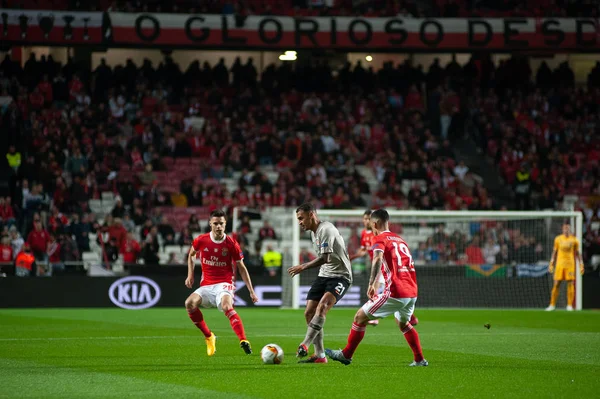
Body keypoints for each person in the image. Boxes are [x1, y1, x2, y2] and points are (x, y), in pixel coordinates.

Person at [326, 209, 428, 367]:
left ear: (374, 223)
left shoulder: (379, 239)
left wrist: (372, 283)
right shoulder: (400, 240)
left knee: (359, 317)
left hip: (396, 292)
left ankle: (346, 354)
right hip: (412, 291)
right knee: (403, 324)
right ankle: (420, 359)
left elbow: (377, 258)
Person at [184, 209, 259, 357]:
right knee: (189, 303)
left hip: (224, 284)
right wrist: (190, 275)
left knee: (226, 306)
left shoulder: (231, 244)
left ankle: (243, 340)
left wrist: (251, 291)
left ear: (226, 225)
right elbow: (191, 254)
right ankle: (209, 336)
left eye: (222, 224)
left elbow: (241, 268)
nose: (219, 226)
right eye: (216, 223)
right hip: (206, 285)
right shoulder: (201, 240)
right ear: (210, 224)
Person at [288, 202, 353, 364]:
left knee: (322, 307)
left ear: (312, 215)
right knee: (309, 313)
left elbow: (325, 258)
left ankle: (305, 343)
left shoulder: (326, 229)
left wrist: (303, 266)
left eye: (301, 218)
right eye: (298, 219)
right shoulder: (314, 233)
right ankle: (320, 355)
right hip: (324, 275)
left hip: (341, 276)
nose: (300, 222)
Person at [546, 223, 584, 311]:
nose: (566, 230)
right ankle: (552, 305)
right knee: (556, 283)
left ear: (570, 230)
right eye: (565, 228)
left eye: (568, 228)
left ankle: (569, 305)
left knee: (570, 283)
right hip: (559, 264)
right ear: (562, 229)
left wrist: (581, 264)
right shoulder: (558, 239)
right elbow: (554, 252)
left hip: (570, 264)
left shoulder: (574, 240)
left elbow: (578, 253)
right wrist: (551, 263)